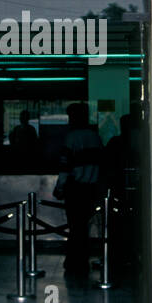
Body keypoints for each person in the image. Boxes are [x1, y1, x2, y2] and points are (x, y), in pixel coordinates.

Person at [56, 102, 103, 279]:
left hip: (74, 188)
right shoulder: (95, 137)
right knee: (83, 225)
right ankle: (82, 259)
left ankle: (74, 260)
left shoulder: (72, 137)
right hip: (91, 187)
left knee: (75, 226)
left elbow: (65, 166)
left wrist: (60, 186)